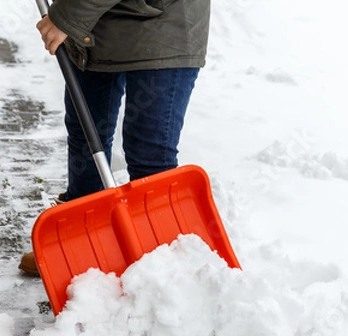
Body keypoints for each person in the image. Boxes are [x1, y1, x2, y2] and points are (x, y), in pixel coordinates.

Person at [18, 0, 210, 275]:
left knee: (149, 153)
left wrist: (67, 17)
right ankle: (79, 242)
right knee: (87, 134)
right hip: (95, 25)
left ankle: (161, 263)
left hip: (163, 23)